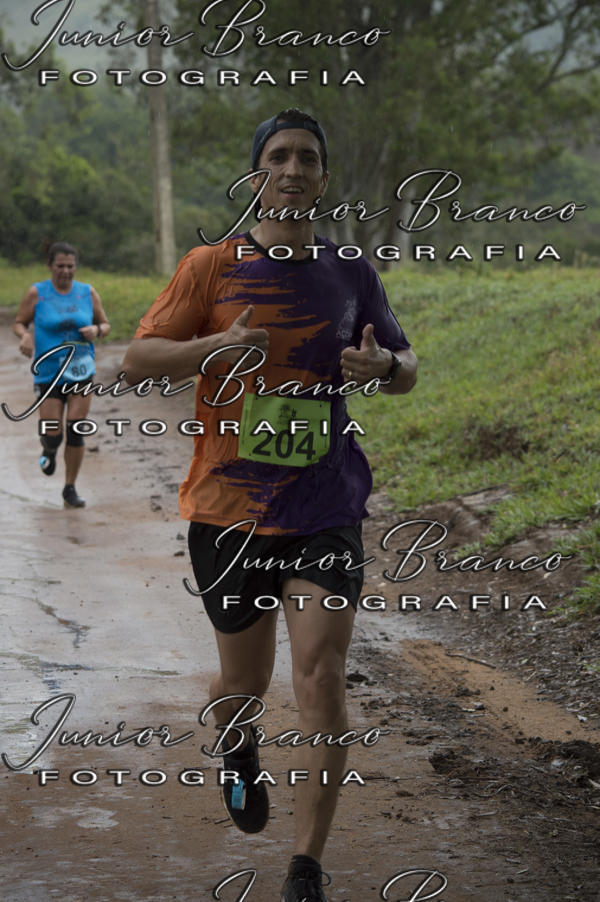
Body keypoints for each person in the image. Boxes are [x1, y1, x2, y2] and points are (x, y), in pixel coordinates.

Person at [122, 109, 417, 901]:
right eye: (278, 156)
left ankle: (305, 868)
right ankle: (237, 741)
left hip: (325, 504)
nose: (292, 169)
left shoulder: (351, 270)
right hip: (230, 511)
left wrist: (385, 367)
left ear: (323, 179)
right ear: (255, 176)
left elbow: (405, 362)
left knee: (321, 677)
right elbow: (137, 360)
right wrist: (209, 348)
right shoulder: (211, 265)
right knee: (243, 687)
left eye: (307, 158)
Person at [13, 241, 110, 508]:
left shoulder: (87, 292)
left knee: (76, 428)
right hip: (49, 372)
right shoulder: (38, 293)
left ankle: (70, 488)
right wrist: (25, 336)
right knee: (53, 432)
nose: (66, 271)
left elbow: (105, 324)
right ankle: (50, 447)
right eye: (60, 266)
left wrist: (97, 330)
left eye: (70, 266)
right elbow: (19, 322)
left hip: (81, 369)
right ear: (50, 266)